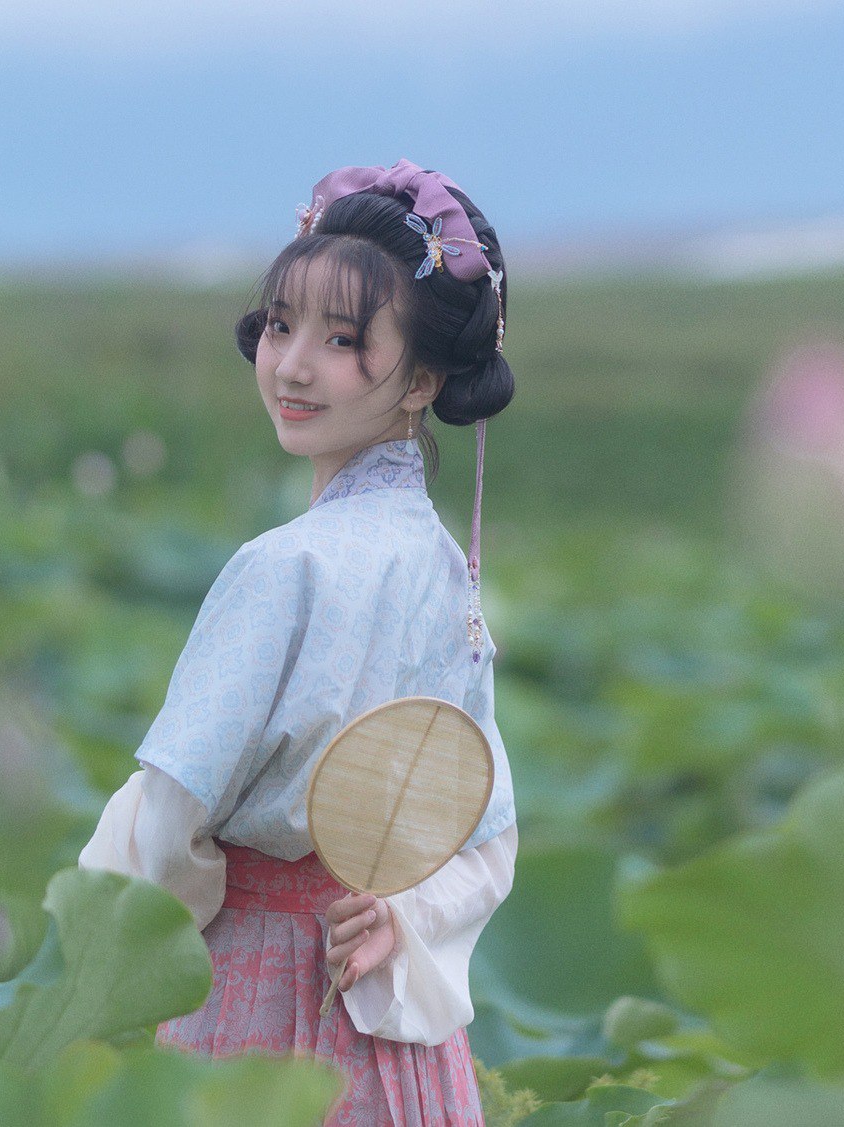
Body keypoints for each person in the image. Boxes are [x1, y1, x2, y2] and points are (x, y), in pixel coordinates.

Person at [78, 158, 518, 1126]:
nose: (292, 364)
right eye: (281, 325)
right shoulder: (447, 564)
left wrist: (111, 942)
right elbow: (483, 826)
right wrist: (402, 916)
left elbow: (170, 814)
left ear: (426, 379)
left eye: (344, 338)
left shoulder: (284, 565)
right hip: (390, 1001)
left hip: (254, 995)